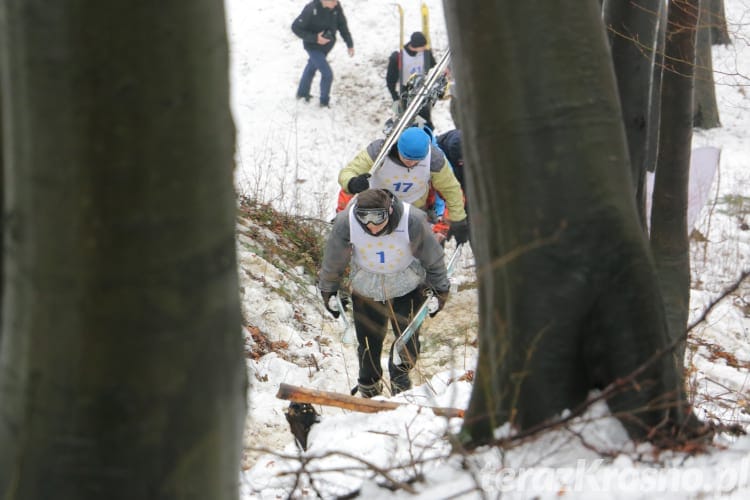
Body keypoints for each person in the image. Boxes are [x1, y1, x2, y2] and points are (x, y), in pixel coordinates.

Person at [318, 188, 451, 397]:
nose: (371, 224)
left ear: (389, 210)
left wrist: (440, 288)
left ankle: (400, 379)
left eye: (377, 217)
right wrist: (329, 289)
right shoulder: (347, 222)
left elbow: (432, 256)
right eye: (364, 217)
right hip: (366, 286)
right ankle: (369, 386)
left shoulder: (412, 220)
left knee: (407, 340)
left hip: (407, 284)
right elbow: (334, 258)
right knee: (368, 342)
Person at [338, 126, 469, 245]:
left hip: (413, 212)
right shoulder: (379, 151)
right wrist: (352, 183)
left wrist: (458, 221)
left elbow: (452, 191)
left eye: (417, 161)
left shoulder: (434, 159)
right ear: (399, 148)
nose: (411, 164)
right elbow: (348, 172)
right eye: (407, 159)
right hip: (375, 209)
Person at [292, 0, 354, 108]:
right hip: (312, 47)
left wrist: (349, 44)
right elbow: (295, 27)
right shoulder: (311, 9)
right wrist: (315, 38)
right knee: (327, 74)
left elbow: (342, 25)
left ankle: (302, 94)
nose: (336, 3)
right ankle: (324, 102)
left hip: (326, 47)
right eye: (333, 1)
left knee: (311, 67)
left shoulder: (336, 5)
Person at [385, 31, 436, 128]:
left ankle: (427, 135)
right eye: (423, 46)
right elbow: (390, 80)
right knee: (410, 121)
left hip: (423, 90)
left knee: (426, 121)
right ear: (416, 46)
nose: (425, 48)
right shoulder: (398, 57)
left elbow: (433, 67)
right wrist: (395, 98)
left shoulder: (426, 53)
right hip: (406, 92)